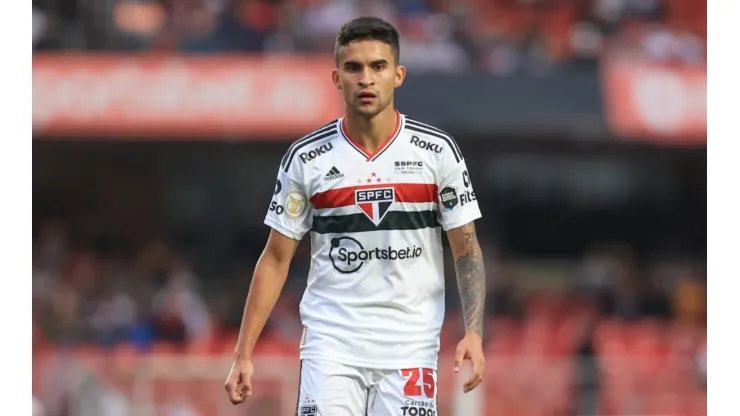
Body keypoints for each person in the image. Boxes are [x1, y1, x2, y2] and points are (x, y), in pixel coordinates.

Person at [224, 16, 486, 416]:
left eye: (378, 66)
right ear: (336, 77)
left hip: (411, 345)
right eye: (354, 67)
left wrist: (474, 331)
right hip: (332, 345)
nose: (366, 79)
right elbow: (276, 258)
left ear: (398, 75)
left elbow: (466, 250)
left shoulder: (437, 153)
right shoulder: (306, 159)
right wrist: (243, 352)